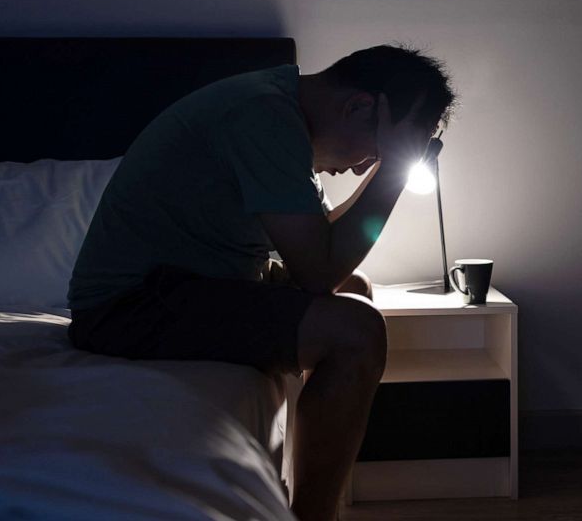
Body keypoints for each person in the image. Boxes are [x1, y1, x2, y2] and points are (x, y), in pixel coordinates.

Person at [66, 43, 457, 521]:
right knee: (357, 331)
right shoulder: (263, 117)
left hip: (190, 282)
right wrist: (392, 173)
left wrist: (389, 163)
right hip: (129, 305)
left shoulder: (279, 109)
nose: (359, 167)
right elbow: (317, 273)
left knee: (353, 289)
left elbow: (322, 253)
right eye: (371, 152)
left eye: (375, 161)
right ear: (356, 105)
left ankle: (304, 482)